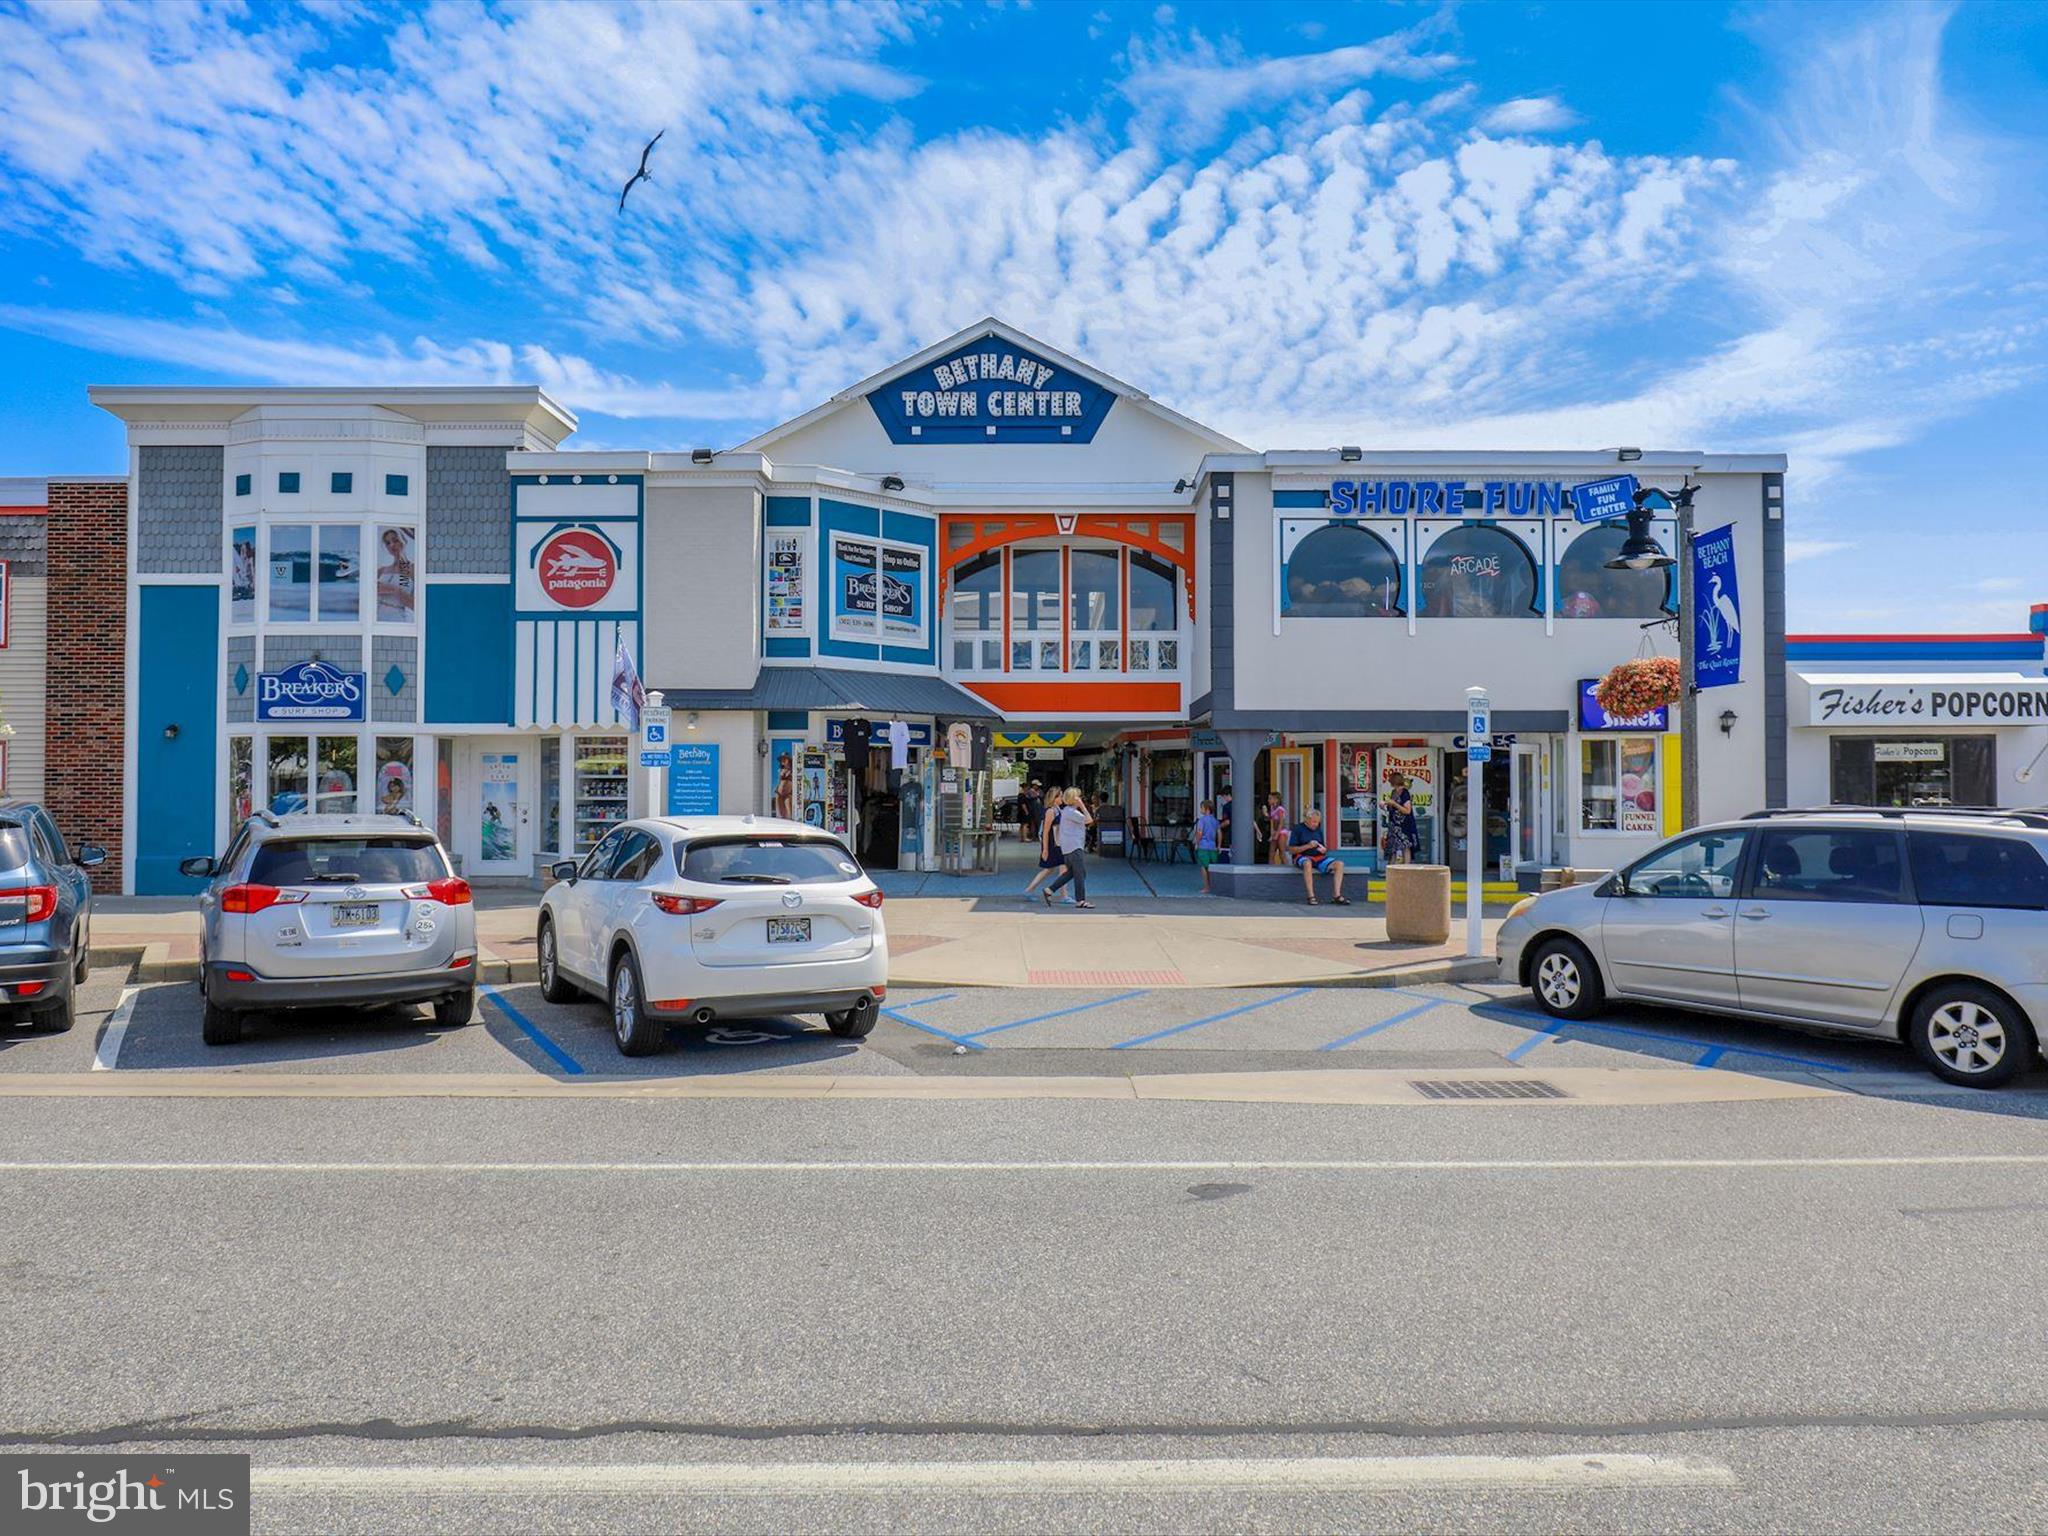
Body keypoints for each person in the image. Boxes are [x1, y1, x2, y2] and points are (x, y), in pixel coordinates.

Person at [1042, 787, 1095, 909]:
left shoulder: (1066, 811)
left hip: (1068, 848)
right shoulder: (1071, 812)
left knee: (1072, 872)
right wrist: (1082, 806)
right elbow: (1089, 820)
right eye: (1079, 797)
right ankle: (1080, 900)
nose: (1081, 799)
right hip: (1074, 847)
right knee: (1080, 874)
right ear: (1074, 799)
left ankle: (1049, 890)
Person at [1286, 808, 1348, 905]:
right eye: (1314, 822)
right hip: (1302, 856)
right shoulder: (1298, 829)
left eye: (1318, 822)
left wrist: (1323, 850)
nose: (1316, 824)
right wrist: (1308, 846)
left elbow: (1322, 848)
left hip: (1318, 858)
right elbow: (1291, 850)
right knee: (1307, 863)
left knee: (1339, 864)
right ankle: (1311, 896)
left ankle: (1336, 895)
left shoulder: (1318, 830)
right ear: (1307, 820)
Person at [1023, 787, 1065, 901]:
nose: (1062, 798)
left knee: (1055, 869)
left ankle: (1064, 895)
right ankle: (1063, 895)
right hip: (1053, 844)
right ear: (1055, 798)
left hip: (1057, 843)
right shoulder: (1051, 811)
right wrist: (1045, 849)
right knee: (1051, 869)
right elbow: (1045, 831)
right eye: (1060, 796)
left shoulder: (1057, 809)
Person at [1383, 773, 1418, 865]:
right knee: (1392, 848)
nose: (1389, 782)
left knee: (1405, 847)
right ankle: (1391, 870)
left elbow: (1407, 811)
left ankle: (1406, 869)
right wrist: (1385, 805)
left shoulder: (1405, 793)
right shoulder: (1394, 792)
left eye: (1390, 780)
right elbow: (1393, 808)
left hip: (1404, 825)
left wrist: (1394, 804)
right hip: (1394, 825)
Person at [1193, 799, 1221, 894]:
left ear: (1207, 809)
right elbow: (1219, 833)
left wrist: (1197, 843)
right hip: (1213, 846)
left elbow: (1199, 833)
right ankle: (1212, 886)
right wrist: (1219, 845)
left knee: (1203, 867)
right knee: (1211, 867)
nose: (1200, 809)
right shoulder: (1215, 821)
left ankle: (1206, 887)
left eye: (1202, 807)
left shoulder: (1202, 820)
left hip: (1203, 846)